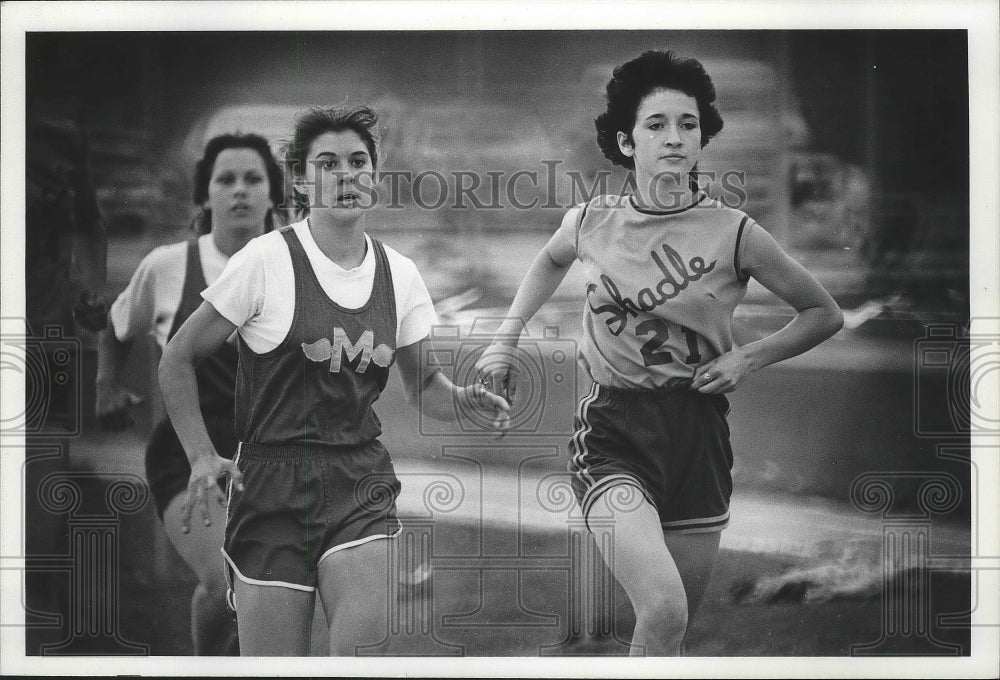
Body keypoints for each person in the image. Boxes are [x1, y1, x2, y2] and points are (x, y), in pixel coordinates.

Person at [477, 51, 844, 656]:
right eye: (656, 125)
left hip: (699, 436)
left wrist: (747, 359)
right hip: (614, 432)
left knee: (669, 632)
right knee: (664, 605)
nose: (674, 138)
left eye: (688, 124)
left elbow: (823, 313)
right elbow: (548, 261)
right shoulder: (590, 221)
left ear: (702, 137)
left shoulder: (736, 233)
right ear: (626, 142)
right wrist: (506, 336)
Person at [158, 105, 510, 656]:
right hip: (269, 487)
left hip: (358, 481)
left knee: (361, 658)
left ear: (374, 174)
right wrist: (201, 455)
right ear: (301, 178)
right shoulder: (264, 261)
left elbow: (426, 388)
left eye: (358, 161)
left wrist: (465, 401)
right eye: (327, 163)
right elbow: (177, 358)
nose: (345, 174)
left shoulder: (402, 275)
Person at [96, 133, 285, 655]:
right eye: (226, 180)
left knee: (271, 604)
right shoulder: (167, 266)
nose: (240, 191)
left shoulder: (297, 267)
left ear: (274, 194)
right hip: (188, 452)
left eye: (254, 179)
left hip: (273, 456)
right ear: (205, 196)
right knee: (228, 582)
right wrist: (105, 385)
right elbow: (116, 327)